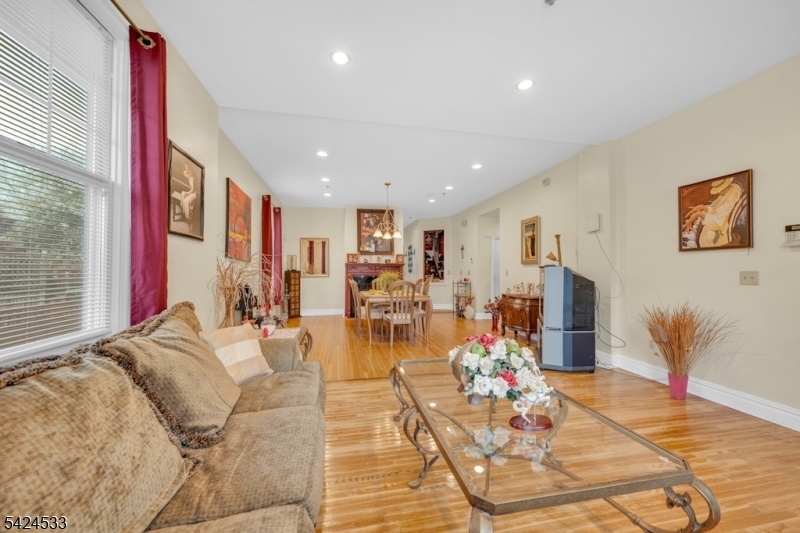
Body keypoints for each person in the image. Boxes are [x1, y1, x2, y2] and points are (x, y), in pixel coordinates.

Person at [682, 177, 745, 248]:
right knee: (698, 216)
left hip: (719, 229)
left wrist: (699, 214)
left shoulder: (732, 195)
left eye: (718, 190)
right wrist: (703, 207)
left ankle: (690, 239)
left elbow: (719, 220)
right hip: (715, 223)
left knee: (699, 230)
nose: (717, 193)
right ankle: (690, 236)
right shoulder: (727, 192)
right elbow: (714, 210)